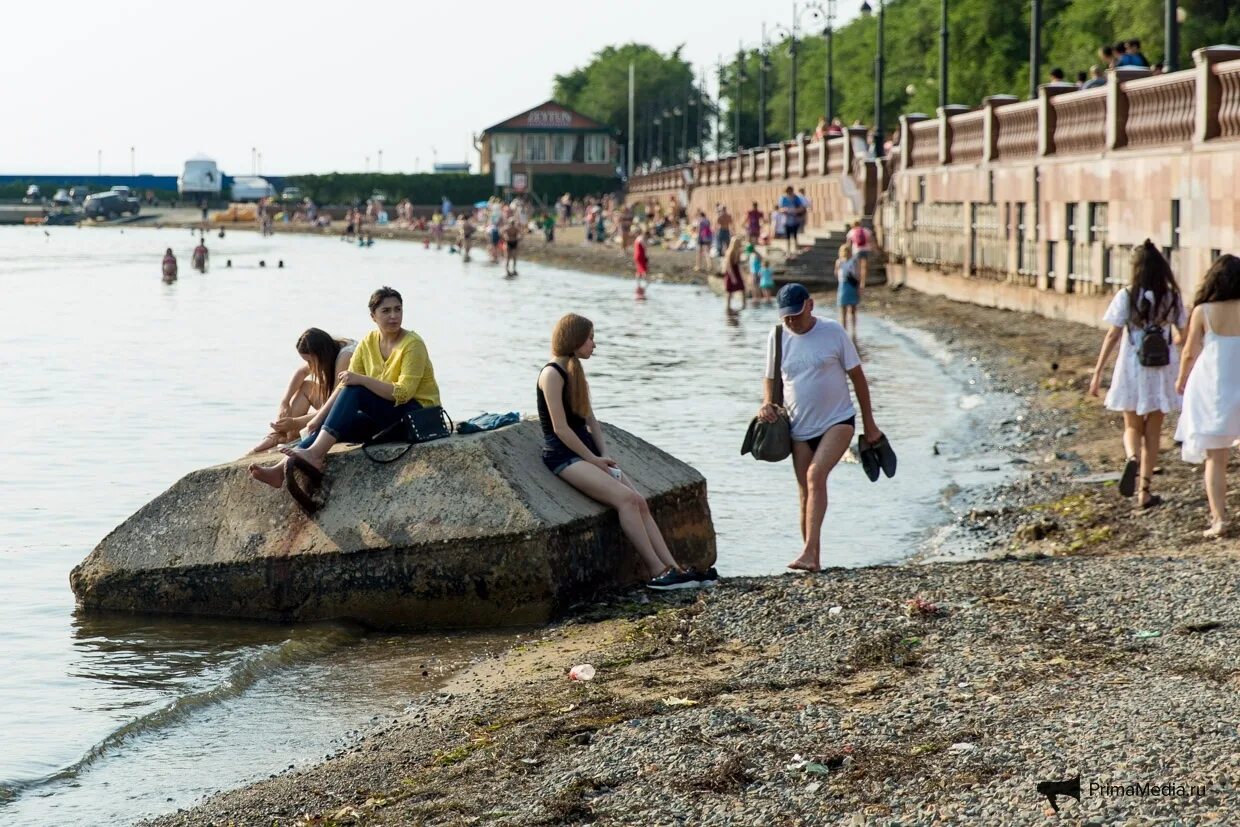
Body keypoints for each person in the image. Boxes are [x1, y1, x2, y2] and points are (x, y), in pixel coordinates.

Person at [537, 313, 712, 590]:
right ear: (575, 339)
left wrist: (604, 456)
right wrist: (592, 459)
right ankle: (656, 572)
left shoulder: (575, 371)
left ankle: (674, 569)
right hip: (564, 456)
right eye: (590, 338)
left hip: (589, 455)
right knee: (627, 501)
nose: (594, 345)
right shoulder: (551, 374)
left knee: (640, 501)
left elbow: (590, 420)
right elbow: (561, 429)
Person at [249, 287, 440, 492]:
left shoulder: (413, 344)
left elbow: (403, 393)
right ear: (373, 316)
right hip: (387, 417)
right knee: (339, 422)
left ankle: (314, 454)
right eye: (386, 311)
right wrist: (318, 418)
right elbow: (343, 384)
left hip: (416, 417)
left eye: (398, 309)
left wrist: (362, 380)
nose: (393, 316)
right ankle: (280, 469)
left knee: (356, 388)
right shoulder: (368, 342)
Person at [756, 284, 884, 572]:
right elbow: (770, 378)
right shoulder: (777, 337)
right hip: (799, 429)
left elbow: (858, 378)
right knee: (805, 492)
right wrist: (766, 402)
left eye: (796, 315)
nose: (791, 322)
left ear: (810, 306)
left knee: (816, 475)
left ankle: (808, 554)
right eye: (786, 317)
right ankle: (812, 558)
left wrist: (870, 425)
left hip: (838, 420)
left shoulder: (833, 332)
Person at [1088, 241, 1187, 510]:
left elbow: (1113, 333)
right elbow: (1183, 335)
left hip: (1132, 365)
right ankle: (1144, 491)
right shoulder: (1171, 297)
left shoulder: (1126, 295)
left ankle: (1131, 457)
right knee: (1154, 431)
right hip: (1161, 368)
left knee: (1132, 426)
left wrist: (1098, 373)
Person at [1175, 254, 1240, 538]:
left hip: (1213, 388)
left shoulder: (1203, 311)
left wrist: (1180, 379)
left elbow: (1190, 352)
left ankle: (1219, 520)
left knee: (1215, 457)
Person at [250, 329, 357, 454]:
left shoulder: (345, 356)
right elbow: (302, 372)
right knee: (305, 387)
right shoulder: (331, 347)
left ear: (321, 354)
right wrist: (285, 402)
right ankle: (280, 435)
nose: (309, 365)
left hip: (352, 407)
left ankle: (284, 435)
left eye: (310, 361)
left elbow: (336, 403)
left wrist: (295, 423)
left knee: (311, 396)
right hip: (338, 401)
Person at [836, 243, 861, 337]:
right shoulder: (849, 261)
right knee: (849, 309)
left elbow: (836, 273)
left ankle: (848, 330)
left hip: (846, 285)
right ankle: (850, 330)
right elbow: (858, 275)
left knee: (847, 309)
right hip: (847, 285)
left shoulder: (843, 262)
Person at [723, 235, 747, 313]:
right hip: (731, 272)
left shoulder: (738, 252)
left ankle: (744, 305)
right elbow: (729, 266)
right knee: (729, 291)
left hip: (736, 270)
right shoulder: (730, 252)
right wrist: (733, 277)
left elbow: (739, 264)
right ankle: (728, 306)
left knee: (742, 288)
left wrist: (743, 275)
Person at [779, 187, 804, 259]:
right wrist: (785, 210)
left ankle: (795, 250)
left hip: (794, 220)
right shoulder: (783, 198)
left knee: (795, 236)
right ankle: (788, 251)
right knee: (787, 237)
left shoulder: (796, 198)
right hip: (786, 221)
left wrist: (794, 210)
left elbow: (801, 208)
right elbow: (780, 208)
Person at [633, 226, 650, 299]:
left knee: (639, 269)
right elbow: (645, 246)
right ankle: (647, 282)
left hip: (636, 255)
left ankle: (638, 283)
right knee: (643, 268)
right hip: (640, 255)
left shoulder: (637, 238)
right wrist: (646, 256)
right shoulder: (640, 238)